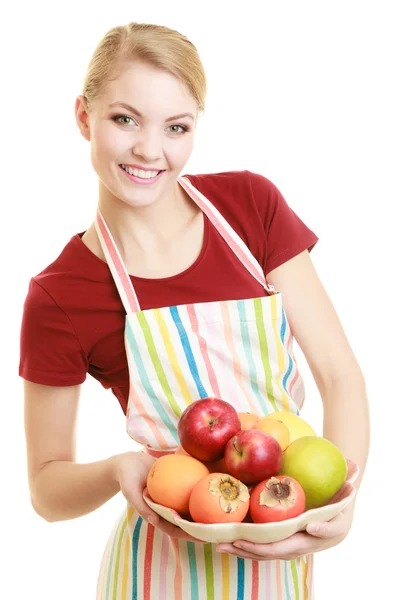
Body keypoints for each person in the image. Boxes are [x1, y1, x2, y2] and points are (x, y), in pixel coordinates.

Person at [20, 21, 370, 600]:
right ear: (84, 116)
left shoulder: (250, 207)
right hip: (159, 570)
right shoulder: (60, 293)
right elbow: (46, 491)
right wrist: (115, 471)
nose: (149, 150)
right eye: (124, 119)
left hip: (280, 551)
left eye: (176, 127)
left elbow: (340, 374)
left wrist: (342, 507)